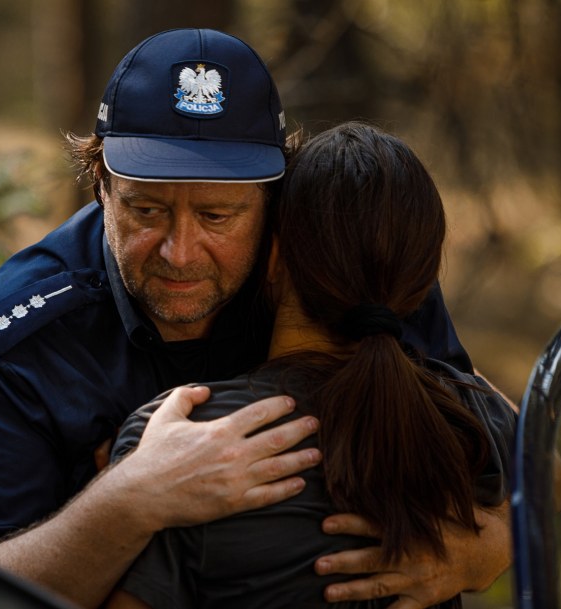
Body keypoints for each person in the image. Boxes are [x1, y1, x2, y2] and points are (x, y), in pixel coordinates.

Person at [0, 29, 511, 609]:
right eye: (146, 209)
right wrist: (129, 501)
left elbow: (518, 445)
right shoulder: (8, 344)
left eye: (219, 216)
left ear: (277, 206)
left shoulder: (332, 270)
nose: (180, 251)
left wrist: (494, 543)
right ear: (100, 185)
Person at [104, 122, 518, 609]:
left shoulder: (178, 439)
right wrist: (494, 544)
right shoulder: (468, 414)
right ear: (420, 281)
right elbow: (548, 467)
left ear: (274, 257)